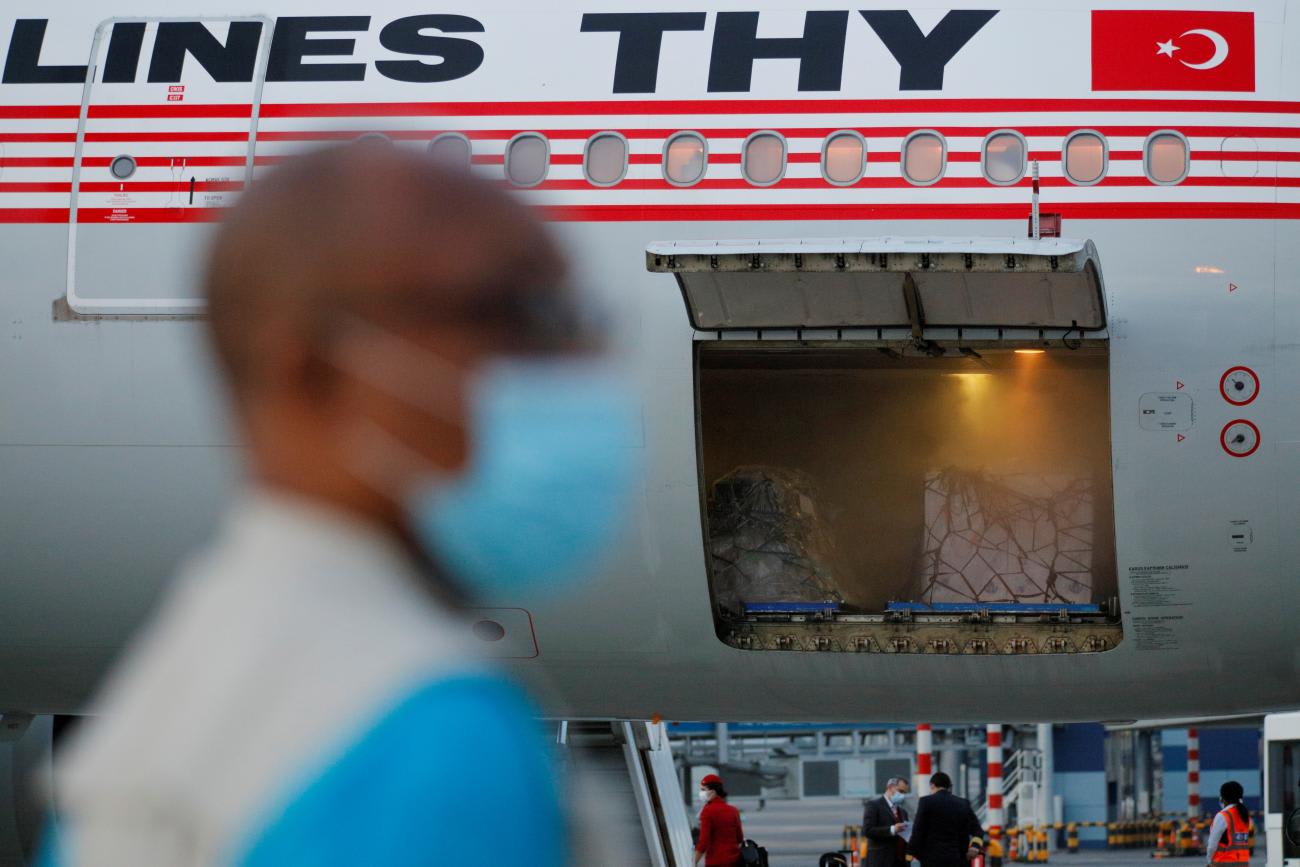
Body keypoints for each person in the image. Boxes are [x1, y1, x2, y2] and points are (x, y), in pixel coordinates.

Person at [38, 143, 638, 866]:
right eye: (523, 316)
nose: (577, 364)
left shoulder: (163, 704)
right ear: (316, 372)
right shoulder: (424, 730)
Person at [908, 772, 985, 867]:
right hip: (959, 859)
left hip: (932, 860)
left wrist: (909, 854)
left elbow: (917, 832)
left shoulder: (926, 802)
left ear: (932, 785)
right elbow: (978, 831)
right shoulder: (963, 804)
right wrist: (975, 846)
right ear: (949, 786)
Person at [696, 774, 745, 867]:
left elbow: (703, 842)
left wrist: (693, 861)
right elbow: (739, 837)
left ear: (713, 792)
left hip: (715, 862)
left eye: (703, 790)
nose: (701, 793)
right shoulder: (733, 810)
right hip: (734, 861)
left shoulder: (707, 811)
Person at [863, 777, 911, 867]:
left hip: (901, 862)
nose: (903, 795)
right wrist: (892, 829)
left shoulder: (903, 812)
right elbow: (868, 830)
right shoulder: (874, 805)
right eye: (900, 791)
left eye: (905, 793)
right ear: (890, 787)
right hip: (881, 861)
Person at [1206, 780, 1254, 866]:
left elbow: (1212, 845)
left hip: (1223, 863)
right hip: (1243, 863)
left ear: (1222, 798)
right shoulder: (1245, 816)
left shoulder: (1223, 816)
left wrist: (1209, 861)